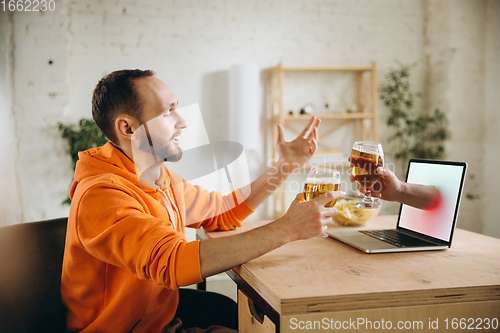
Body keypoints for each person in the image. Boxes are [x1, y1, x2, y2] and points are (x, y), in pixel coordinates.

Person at [61, 69, 345, 333]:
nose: (182, 122)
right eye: (169, 112)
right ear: (128, 128)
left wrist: (285, 165)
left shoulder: (159, 178)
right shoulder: (102, 195)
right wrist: (287, 229)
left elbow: (223, 212)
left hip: (161, 317)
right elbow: (172, 263)